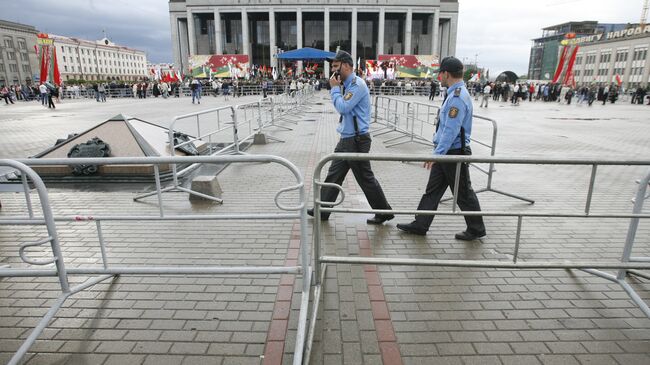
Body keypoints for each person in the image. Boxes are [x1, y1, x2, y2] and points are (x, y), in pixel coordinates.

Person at [396, 56, 486, 240]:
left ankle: (476, 228)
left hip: (453, 152)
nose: (439, 78)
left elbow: (450, 131)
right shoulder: (454, 94)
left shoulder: (457, 98)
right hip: (447, 151)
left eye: (440, 74)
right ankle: (421, 224)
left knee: (463, 193)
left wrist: (437, 155)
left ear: (446, 73)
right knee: (433, 190)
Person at [307, 50, 393, 224]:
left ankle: (384, 211)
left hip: (356, 140)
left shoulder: (356, 84)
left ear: (346, 66)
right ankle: (322, 209)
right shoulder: (348, 84)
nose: (333, 70)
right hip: (347, 138)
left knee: (365, 178)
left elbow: (344, 107)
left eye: (336, 66)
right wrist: (338, 89)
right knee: (334, 175)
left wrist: (334, 90)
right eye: (332, 67)